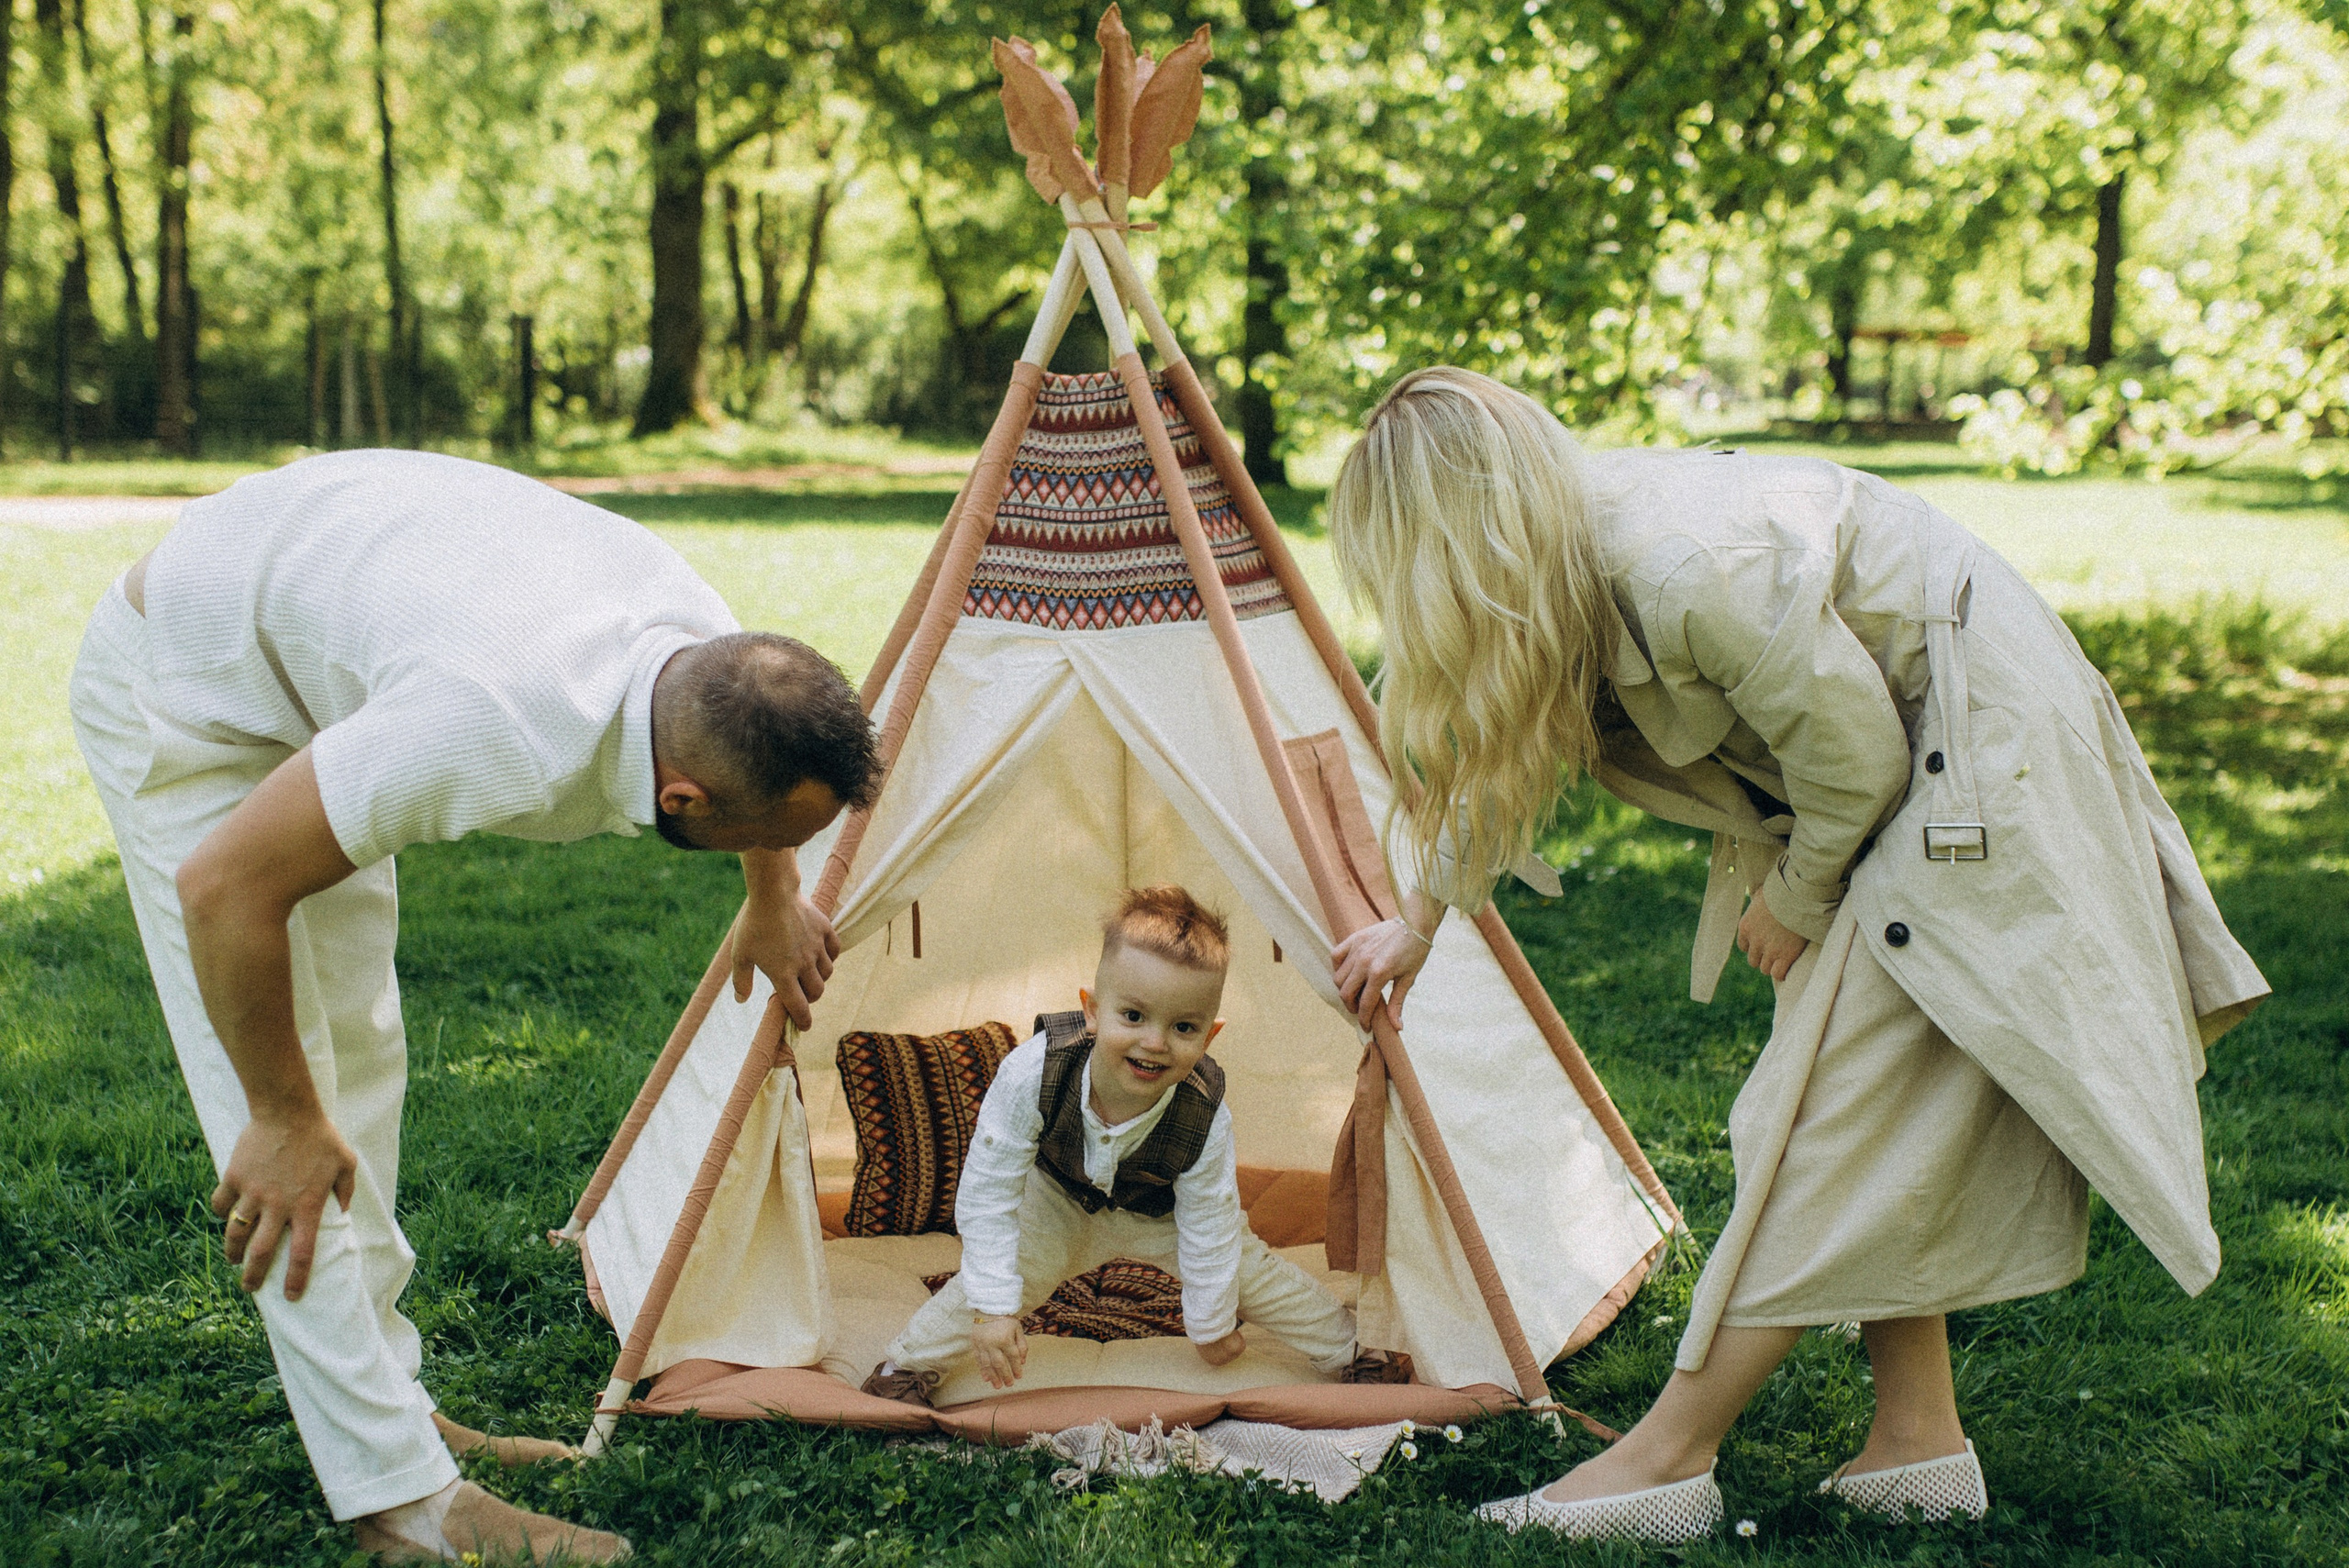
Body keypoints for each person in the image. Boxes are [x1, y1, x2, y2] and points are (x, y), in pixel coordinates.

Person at [1322, 369, 2268, 1541]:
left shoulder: (1678, 567)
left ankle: (1666, 1459)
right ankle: (1916, 1443)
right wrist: (1415, 920)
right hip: (1908, 763)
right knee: (1863, 1106)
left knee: (1813, 1111)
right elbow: (1510, 737)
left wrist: (1797, 890)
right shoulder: (1564, 558)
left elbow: (1859, 754)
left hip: (1967, 747)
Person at [68, 450, 883, 1563]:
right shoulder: (497, 721)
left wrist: (772, 895)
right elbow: (224, 888)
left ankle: (394, 1407)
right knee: (300, 1128)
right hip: (185, 689)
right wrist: (275, 1113)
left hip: (322, 652)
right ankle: (401, 1504)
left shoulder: (715, 654)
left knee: (360, 1056)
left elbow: (765, 774)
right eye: (769, 836)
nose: (780, 851)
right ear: (679, 799)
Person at [861, 885, 1374, 1405]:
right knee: (998, 1275)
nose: (1155, 1042)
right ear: (1092, 1011)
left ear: (1209, 1037)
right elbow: (988, 1193)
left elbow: (1210, 1224)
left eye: (1183, 1027)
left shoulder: (1204, 1108)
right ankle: (904, 1368)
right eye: (1133, 1016)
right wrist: (995, 1311)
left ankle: (1355, 1354)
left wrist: (1211, 1324)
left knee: (1246, 1270)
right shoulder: (1032, 1072)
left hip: (1160, 1216)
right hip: (1055, 1202)